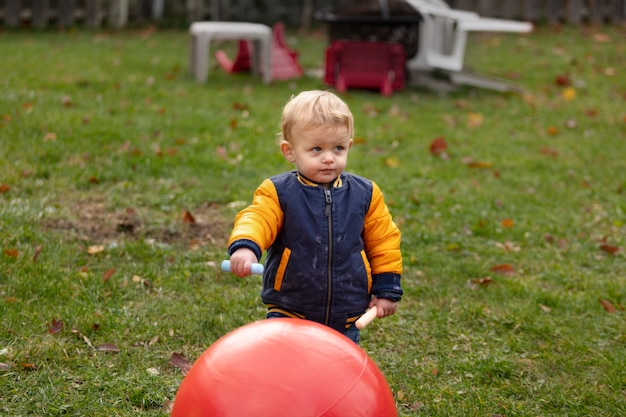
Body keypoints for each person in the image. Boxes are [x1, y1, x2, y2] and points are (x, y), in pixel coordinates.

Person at [226, 90, 403, 343]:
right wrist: (246, 246)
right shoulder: (278, 192)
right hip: (290, 308)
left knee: (337, 370)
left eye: (338, 148)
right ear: (290, 151)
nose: (329, 158)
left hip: (346, 312)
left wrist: (387, 288)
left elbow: (384, 242)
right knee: (285, 364)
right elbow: (258, 218)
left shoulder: (366, 194)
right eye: (317, 149)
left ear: (349, 145)